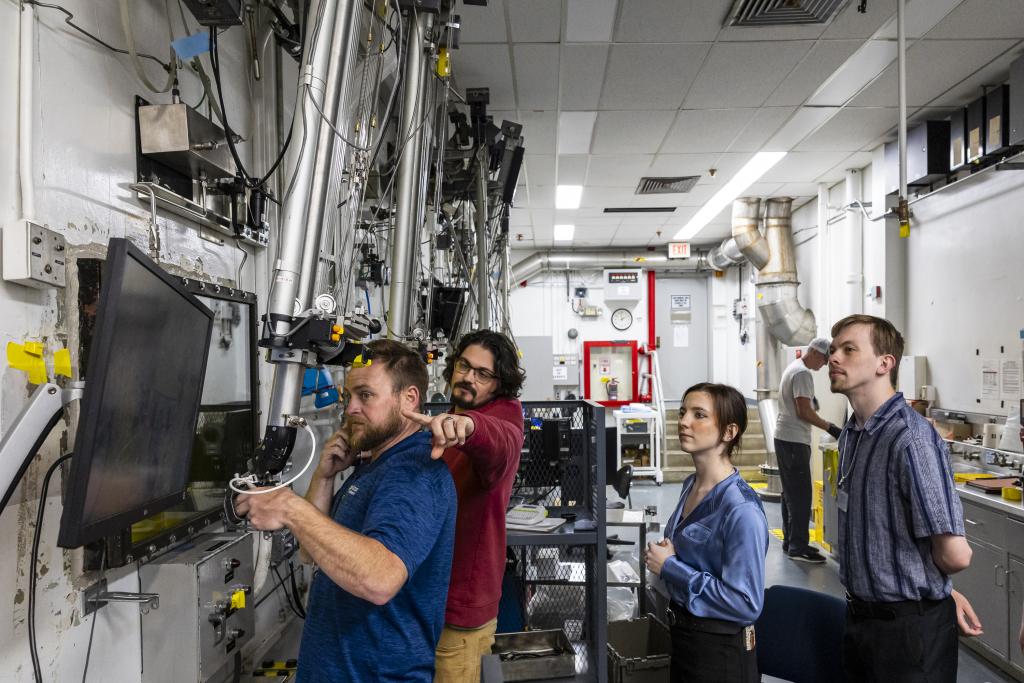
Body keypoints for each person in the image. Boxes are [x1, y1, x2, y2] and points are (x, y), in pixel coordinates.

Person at [235, 340, 456, 682]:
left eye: (365, 395)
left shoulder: (413, 474)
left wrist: (289, 507)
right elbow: (312, 552)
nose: (350, 409)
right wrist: (324, 476)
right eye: (347, 397)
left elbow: (380, 579)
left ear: (409, 399)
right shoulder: (375, 463)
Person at [827, 314, 972, 682]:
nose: (833, 359)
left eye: (848, 349)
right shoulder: (853, 434)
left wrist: (932, 596)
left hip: (908, 633)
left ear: (884, 363)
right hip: (862, 622)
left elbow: (955, 554)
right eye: (832, 350)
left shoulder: (911, 438)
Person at [403, 329, 526, 683]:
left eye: (483, 373)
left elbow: (498, 440)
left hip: (460, 611)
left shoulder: (504, 416)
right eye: (463, 366)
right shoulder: (445, 416)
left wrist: (468, 426)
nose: (468, 377)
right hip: (419, 597)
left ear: (498, 383)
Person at [645, 382, 769, 683]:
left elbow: (745, 603)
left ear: (729, 432)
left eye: (699, 415)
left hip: (720, 653)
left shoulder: (741, 509)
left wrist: (671, 567)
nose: (684, 422)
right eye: (683, 412)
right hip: (685, 640)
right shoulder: (691, 485)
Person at [774, 336, 842, 564]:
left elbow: (803, 405)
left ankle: (791, 541)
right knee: (801, 495)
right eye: (823, 359)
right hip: (794, 441)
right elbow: (804, 412)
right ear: (813, 352)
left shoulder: (793, 368)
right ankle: (798, 547)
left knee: (790, 493)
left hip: (785, 438)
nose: (823, 365)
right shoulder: (803, 373)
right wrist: (831, 427)